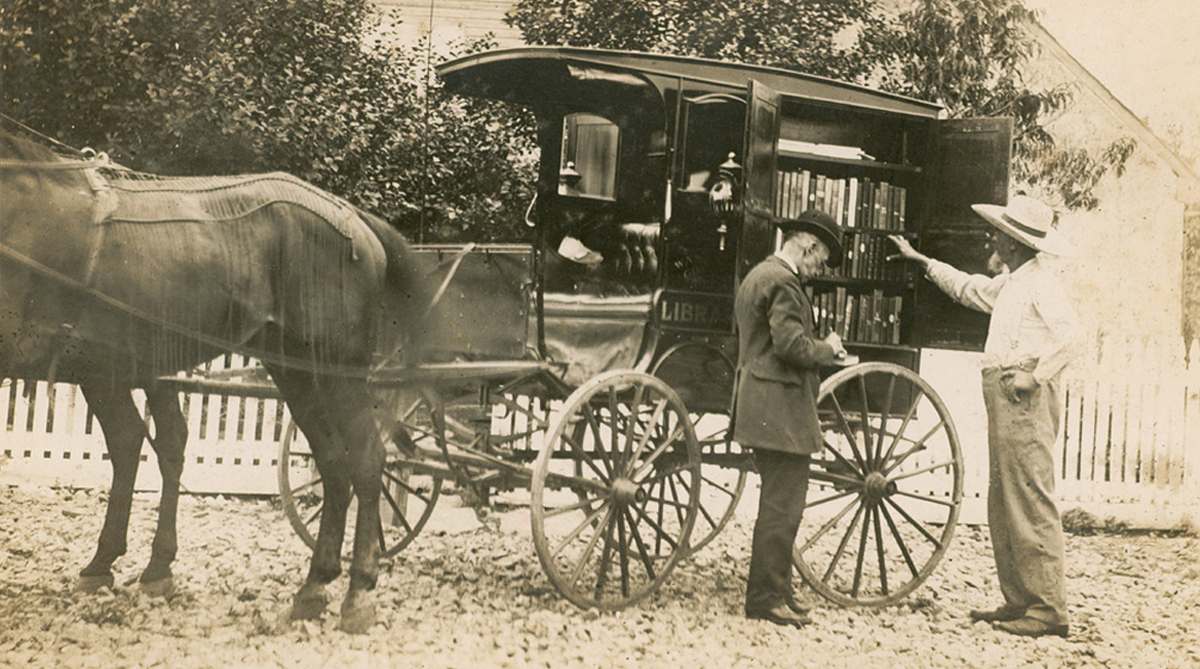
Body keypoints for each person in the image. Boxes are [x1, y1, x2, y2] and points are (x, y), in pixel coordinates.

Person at [888, 195, 1083, 639]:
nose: (992, 238)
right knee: (1005, 499)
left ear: (1014, 243)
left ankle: (1049, 609)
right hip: (1004, 394)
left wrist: (1035, 376)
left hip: (1023, 397)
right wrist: (921, 261)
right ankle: (1020, 601)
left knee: (1030, 498)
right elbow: (968, 287)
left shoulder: (1042, 283)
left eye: (998, 233)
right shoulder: (1015, 281)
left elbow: (1073, 335)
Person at [733, 209, 847, 628]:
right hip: (779, 409)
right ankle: (765, 597)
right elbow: (791, 347)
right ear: (808, 245)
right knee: (784, 507)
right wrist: (828, 349)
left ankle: (778, 589)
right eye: (821, 258)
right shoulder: (783, 281)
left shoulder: (758, 275)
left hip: (762, 404)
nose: (819, 269)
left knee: (779, 504)